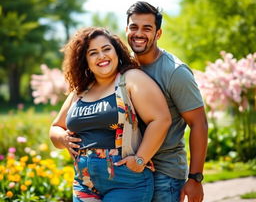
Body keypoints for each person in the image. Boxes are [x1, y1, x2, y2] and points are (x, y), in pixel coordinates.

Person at [49, 27, 172, 202]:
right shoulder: (81, 91)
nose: (101, 56)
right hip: (84, 183)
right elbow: (55, 128)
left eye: (106, 49)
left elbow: (161, 119)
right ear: (85, 60)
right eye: (93, 53)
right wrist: (63, 139)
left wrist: (139, 160)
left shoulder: (130, 79)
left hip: (126, 181)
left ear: (116, 51)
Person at [125, 1, 208, 202]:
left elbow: (199, 123)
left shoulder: (175, 72)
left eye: (147, 28)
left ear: (158, 34)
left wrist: (195, 179)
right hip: (130, 172)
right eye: (134, 27)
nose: (139, 33)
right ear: (126, 29)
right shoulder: (122, 65)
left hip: (165, 175)